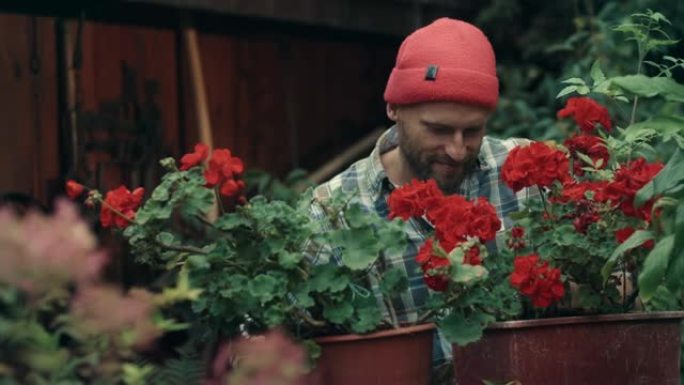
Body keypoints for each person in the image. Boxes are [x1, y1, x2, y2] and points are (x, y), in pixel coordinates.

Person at [309, 18, 537, 384]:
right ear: (394, 108)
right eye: (439, 129)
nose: (457, 150)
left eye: (473, 130)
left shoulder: (526, 176)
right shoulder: (332, 212)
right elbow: (262, 344)